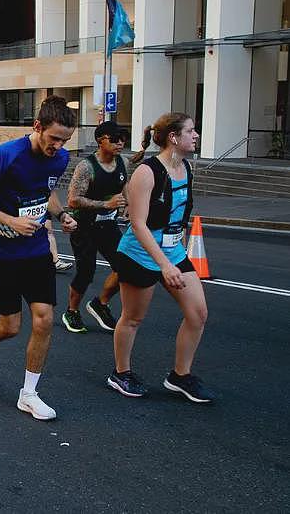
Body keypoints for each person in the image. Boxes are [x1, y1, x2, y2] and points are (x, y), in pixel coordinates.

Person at [0, 95, 78, 421]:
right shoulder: (6, 155)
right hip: (2, 253)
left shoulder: (60, 158)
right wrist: (9, 220)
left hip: (37, 250)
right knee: (10, 326)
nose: (58, 146)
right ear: (37, 127)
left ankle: (29, 394)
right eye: (54, 138)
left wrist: (62, 214)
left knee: (44, 319)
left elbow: (47, 190)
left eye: (65, 140)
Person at [108, 113, 213, 403]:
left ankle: (180, 376)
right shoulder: (147, 171)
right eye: (191, 131)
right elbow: (138, 224)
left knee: (198, 313)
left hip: (173, 250)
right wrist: (163, 265)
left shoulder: (186, 168)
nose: (196, 136)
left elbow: (178, 213)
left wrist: (173, 254)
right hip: (140, 253)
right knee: (133, 318)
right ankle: (121, 373)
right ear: (173, 137)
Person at [62, 121, 128, 333]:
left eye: (123, 139)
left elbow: (124, 187)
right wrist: (104, 204)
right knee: (86, 272)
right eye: (114, 138)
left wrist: (128, 204)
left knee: (125, 267)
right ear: (101, 140)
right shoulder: (87, 166)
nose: (120, 143)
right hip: (84, 226)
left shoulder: (123, 163)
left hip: (108, 225)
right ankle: (71, 311)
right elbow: (72, 200)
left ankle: (101, 303)